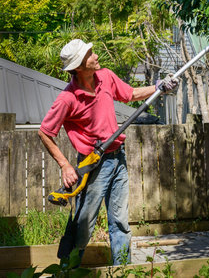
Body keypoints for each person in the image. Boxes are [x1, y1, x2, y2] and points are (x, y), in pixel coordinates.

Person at [38, 39, 179, 265]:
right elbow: (45, 132)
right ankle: (69, 270)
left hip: (118, 158)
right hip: (94, 165)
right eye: (90, 54)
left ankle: (121, 270)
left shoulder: (105, 76)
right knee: (84, 226)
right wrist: (64, 165)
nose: (96, 56)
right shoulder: (68, 98)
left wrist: (158, 87)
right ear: (79, 66)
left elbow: (130, 94)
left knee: (120, 222)